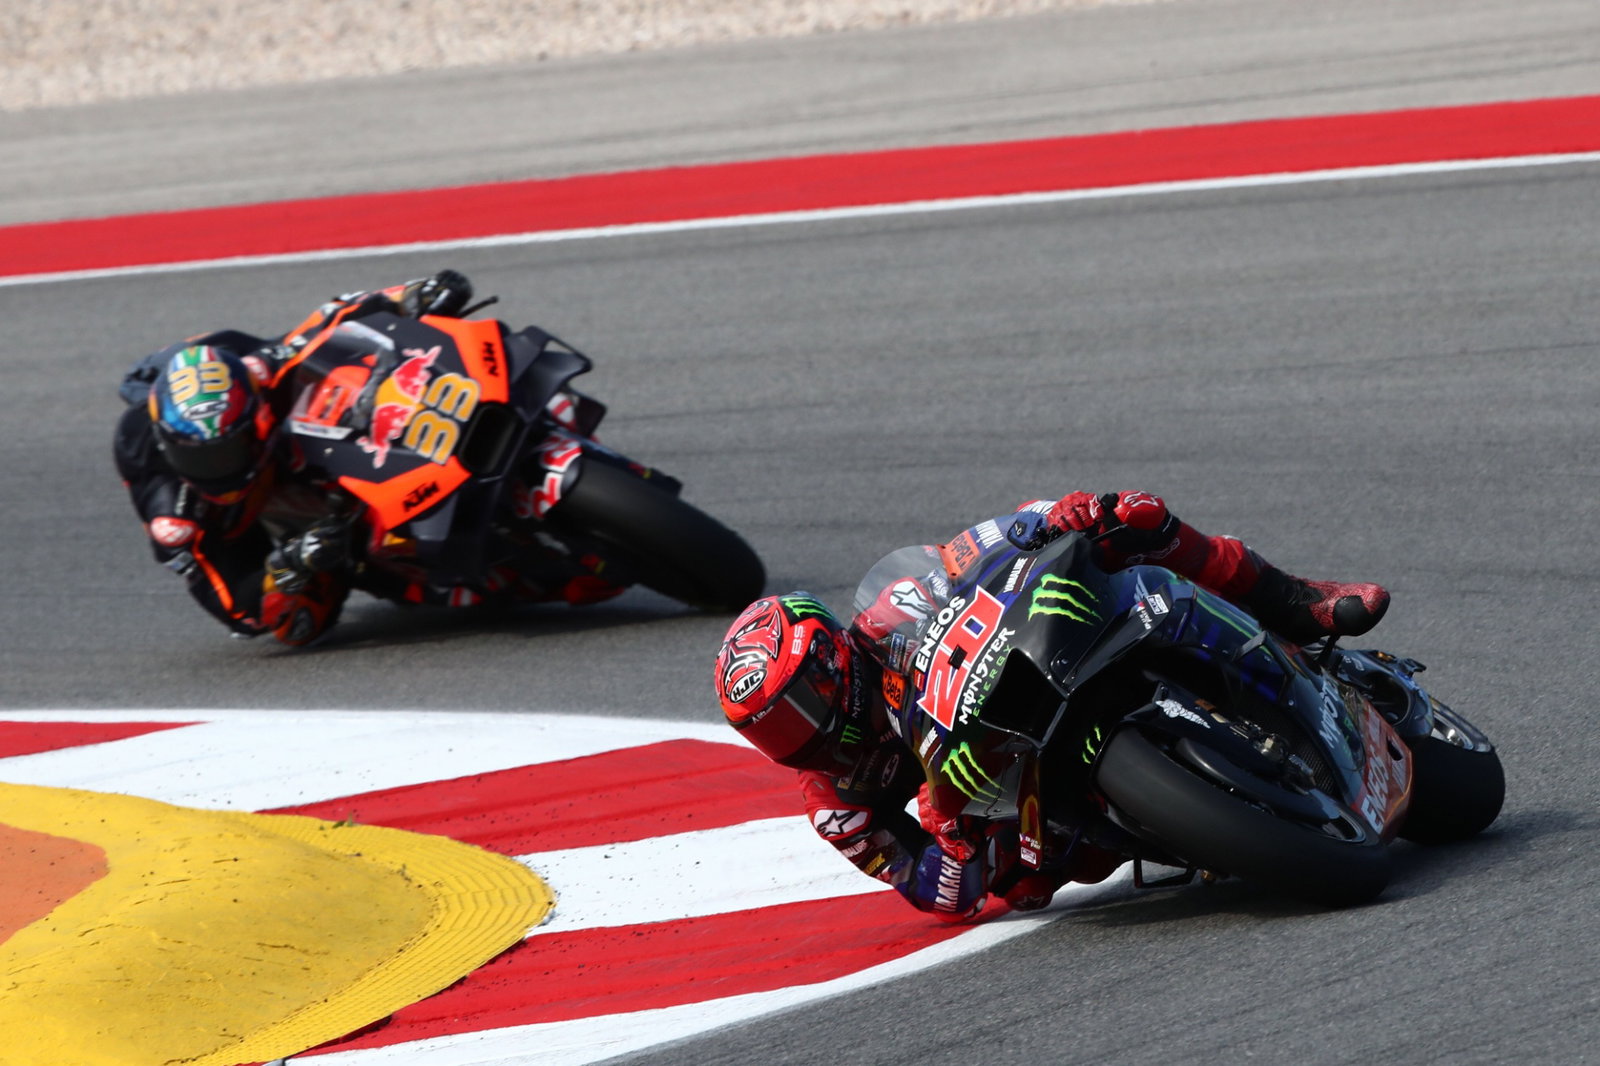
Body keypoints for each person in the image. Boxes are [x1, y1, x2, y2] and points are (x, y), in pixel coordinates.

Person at [712, 490, 1390, 921]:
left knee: (1135, 520)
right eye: (772, 731)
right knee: (1022, 887)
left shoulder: (891, 613)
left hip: (1026, 662)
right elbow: (939, 896)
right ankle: (1189, 820)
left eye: (799, 707)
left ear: (833, 660)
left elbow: (971, 550)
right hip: (1000, 805)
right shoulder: (840, 806)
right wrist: (949, 846)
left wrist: (1048, 519)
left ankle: (1297, 602)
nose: (801, 736)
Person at [113, 270, 616, 646]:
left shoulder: (259, 369)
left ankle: (510, 418)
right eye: (204, 456)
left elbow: (329, 320)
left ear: (256, 417)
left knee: (389, 370)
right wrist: (289, 566)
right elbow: (236, 608)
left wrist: (414, 296)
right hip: (285, 531)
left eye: (229, 448)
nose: (219, 466)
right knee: (299, 621)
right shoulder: (170, 506)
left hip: (304, 441)